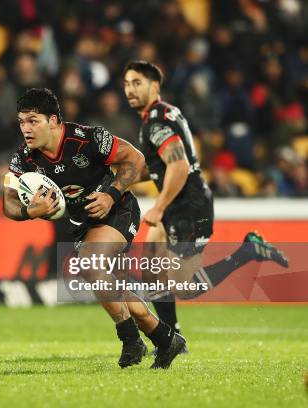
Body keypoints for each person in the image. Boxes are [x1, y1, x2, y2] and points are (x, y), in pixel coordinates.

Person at [3, 88, 186, 369]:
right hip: (83, 224)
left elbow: (136, 160)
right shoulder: (24, 159)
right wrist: (30, 211)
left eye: (32, 121)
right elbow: (9, 204)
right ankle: (164, 339)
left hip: (118, 210)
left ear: (53, 120)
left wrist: (110, 194)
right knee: (112, 285)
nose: (25, 129)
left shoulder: (87, 138)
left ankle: (130, 340)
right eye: (21, 122)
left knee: (90, 265)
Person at [122, 61, 288, 334]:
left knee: (183, 287)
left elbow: (179, 165)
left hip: (188, 205)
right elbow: (160, 166)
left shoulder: (156, 122)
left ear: (154, 86)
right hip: (178, 201)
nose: (130, 89)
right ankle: (171, 335)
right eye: (126, 84)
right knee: (152, 271)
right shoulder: (163, 114)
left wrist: (159, 207)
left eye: (137, 83)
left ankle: (247, 251)